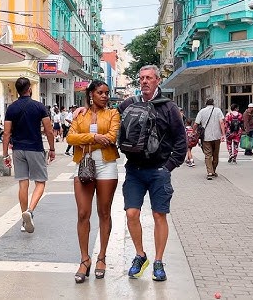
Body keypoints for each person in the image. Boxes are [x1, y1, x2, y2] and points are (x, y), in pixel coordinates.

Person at [117, 65, 186, 282]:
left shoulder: (169, 108)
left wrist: (168, 167)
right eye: (141, 78)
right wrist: (85, 109)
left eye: (149, 78)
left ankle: (158, 261)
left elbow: (181, 141)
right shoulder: (130, 103)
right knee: (131, 214)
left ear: (158, 80)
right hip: (134, 171)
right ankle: (140, 255)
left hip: (158, 172)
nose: (144, 81)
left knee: (159, 215)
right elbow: (108, 115)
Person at [66, 80, 120, 283]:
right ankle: (84, 259)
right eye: (100, 92)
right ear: (91, 94)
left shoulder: (113, 113)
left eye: (107, 92)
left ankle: (102, 257)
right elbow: (70, 138)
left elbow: (112, 136)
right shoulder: (80, 114)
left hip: (107, 165)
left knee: (104, 212)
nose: (105, 96)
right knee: (82, 213)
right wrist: (96, 137)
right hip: (83, 165)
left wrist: (86, 137)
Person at [2, 77, 56, 234]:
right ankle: (30, 212)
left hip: (18, 149)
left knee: (22, 183)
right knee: (40, 182)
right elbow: (49, 130)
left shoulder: (11, 108)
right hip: (35, 148)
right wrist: (52, 148)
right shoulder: (39, 107)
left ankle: (23, 218)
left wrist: (5, 154)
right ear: (29, 89)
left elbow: (6, 133)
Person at [193, 99, 226, 180]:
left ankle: (209, 172)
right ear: (213, 104)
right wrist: (223, 134)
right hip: (216, 136)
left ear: (206, 104)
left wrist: (193, 131)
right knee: (215, 154)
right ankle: (213, 170)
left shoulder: (202, 111)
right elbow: (222, 122)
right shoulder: (218, 110)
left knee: (208, 154)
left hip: (206, 137)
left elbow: (196, 123)